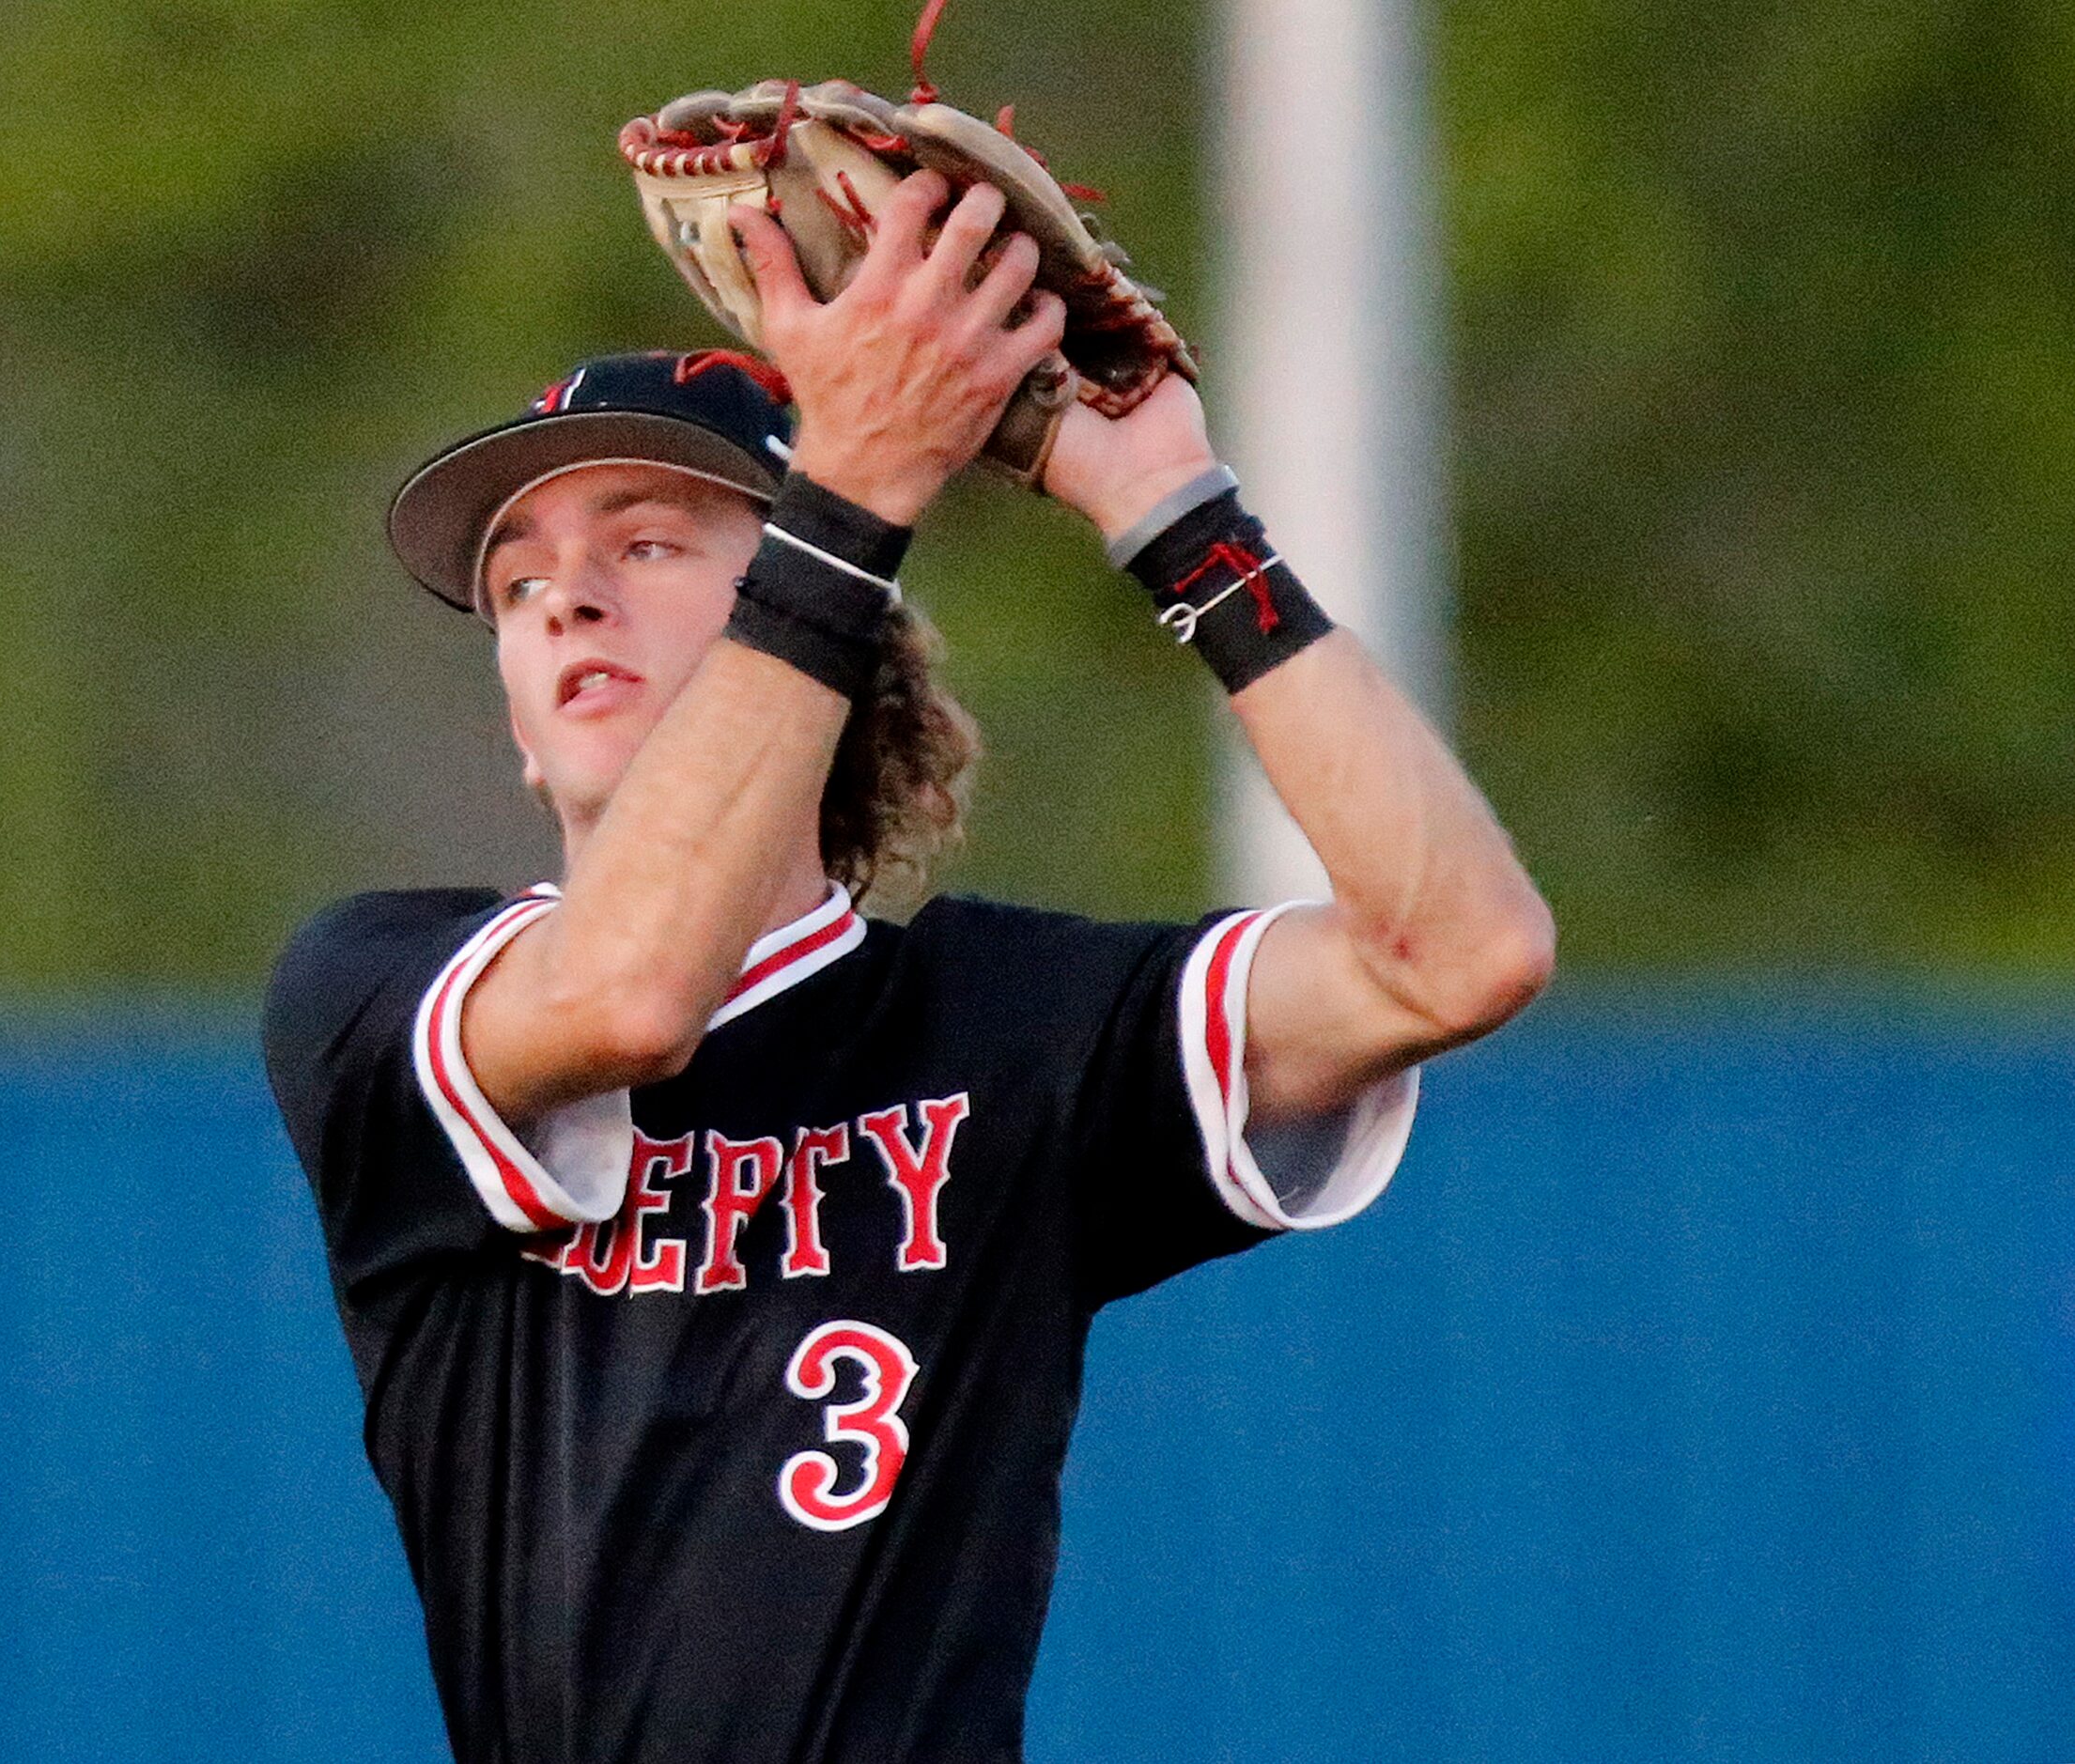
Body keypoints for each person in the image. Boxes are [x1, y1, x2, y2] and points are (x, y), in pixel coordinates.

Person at [262, 169, 1554, 1764]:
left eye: (649, 540)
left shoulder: (1009, 1030)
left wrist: (1179, 516)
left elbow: (1458, 954)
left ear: (837, 631)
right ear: (519, 734)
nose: (566, 593)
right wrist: (859, 480)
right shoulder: (377, 996)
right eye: (517, 585)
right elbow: (631, 995)